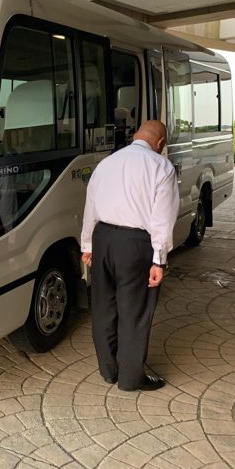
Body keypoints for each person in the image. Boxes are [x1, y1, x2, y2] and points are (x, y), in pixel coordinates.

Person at [81, 120, 179, 391]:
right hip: (136, 244)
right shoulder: (161, 167)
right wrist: (159, 260)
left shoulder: (106, 163)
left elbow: (91, 205)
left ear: (136, 135)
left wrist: (87, 245)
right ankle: (130, 379)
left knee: (103, 309)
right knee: (134, 312)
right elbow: (163, 219)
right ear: (160, 143)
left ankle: (108, 370)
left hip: (102, 238)